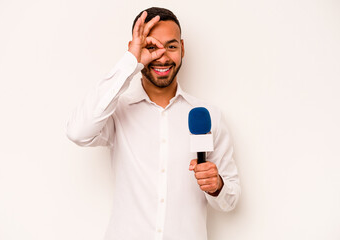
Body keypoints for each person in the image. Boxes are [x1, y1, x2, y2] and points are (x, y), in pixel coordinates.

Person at [66, 7, 240, 240]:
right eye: (151, 47)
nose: (163, 56)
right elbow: (78, 132)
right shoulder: (116, 113)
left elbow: (230, 200)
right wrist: (130, 62)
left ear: (182, 48)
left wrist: (216, 185)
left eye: (171, 46)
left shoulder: (208, 116)